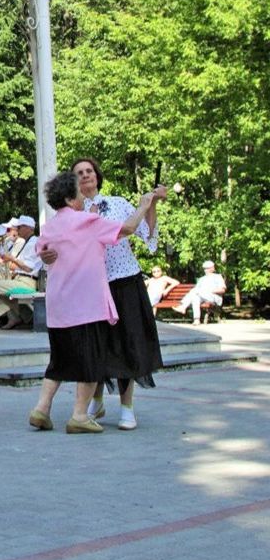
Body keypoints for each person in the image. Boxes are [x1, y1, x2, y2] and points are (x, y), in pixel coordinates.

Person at [29, 172, 155, 434]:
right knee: (90, 360)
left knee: (59, 360)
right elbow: (128, 229)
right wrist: (144, 204)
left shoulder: (50, 226)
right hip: (86, 305)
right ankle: (79, 416)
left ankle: (41, 408)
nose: (82, 194)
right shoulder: (88, 221)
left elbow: (41, 253)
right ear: (69, 198)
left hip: (58, 306)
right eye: (78, 191)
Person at [63, 157, 167, 430]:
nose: (85, 176)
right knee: (96, 345)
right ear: (73, 181)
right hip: (91, 285)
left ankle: (127, 407)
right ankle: (95, 400)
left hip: (124, 281)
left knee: (127, 341)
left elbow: (147, 235)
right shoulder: (70, 211)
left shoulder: (119, 203)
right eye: (79, 173)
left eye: (89, 171)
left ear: (97, 176)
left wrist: (152, 203)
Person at [0, 215, 42, 330]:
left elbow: (28, 268)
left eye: (20, 227)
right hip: (20, 279)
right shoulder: (28, 242)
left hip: (27, 281)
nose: (17, 230)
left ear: (28, 228)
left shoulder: (33, 243)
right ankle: (14, 317)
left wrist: (11, 259)